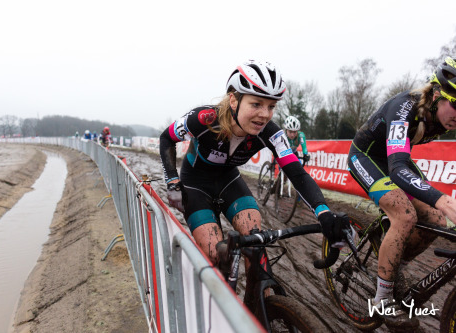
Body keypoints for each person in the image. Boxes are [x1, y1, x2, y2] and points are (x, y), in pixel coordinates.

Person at [159, 59, 350, 310]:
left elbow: (297, 174)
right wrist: (173, 180)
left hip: (229, 181)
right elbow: (166, 138)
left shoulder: (270, 132)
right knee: (217, 256)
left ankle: (258, 305)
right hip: (196, 185)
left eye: (271, 106)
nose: (264, 114)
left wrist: (323, 211)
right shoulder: (204, 118)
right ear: (233, 100)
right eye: (256, 104)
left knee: (256, 244)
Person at [347, 56, 456, 329]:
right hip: (368, 157)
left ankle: (391, 268)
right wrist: (441, 198)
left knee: (436, 220)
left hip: (397, 158)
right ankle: (382, 298)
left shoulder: (442, 112)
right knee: (405, 215)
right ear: (434, 95)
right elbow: (396, 170)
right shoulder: (403, 108)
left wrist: (438, 204)